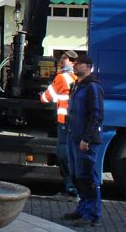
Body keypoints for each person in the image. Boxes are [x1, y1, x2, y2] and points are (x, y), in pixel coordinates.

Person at [63, 54, 104, 228]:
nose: (74, 65)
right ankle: (82, 209)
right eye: (74, 63)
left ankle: (92, 214)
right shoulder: (77, 86)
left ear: (88, 66)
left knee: (87, 178)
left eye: (78, 63)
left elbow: (96, 115)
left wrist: (86, 138)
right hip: (74, 138)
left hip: (84, 141)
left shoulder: (92, 87)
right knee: (77, 176)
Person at [41, 49, 79, 200]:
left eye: (65, 58)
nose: (62, 60)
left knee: (64, 155)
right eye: (62, 57)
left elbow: (45, 98)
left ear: (72, 62)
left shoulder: (61, 77)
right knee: (71, 155)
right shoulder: (77, 77)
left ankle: (70, 189)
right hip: (73, 121)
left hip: (64, 121)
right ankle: (74, 188)